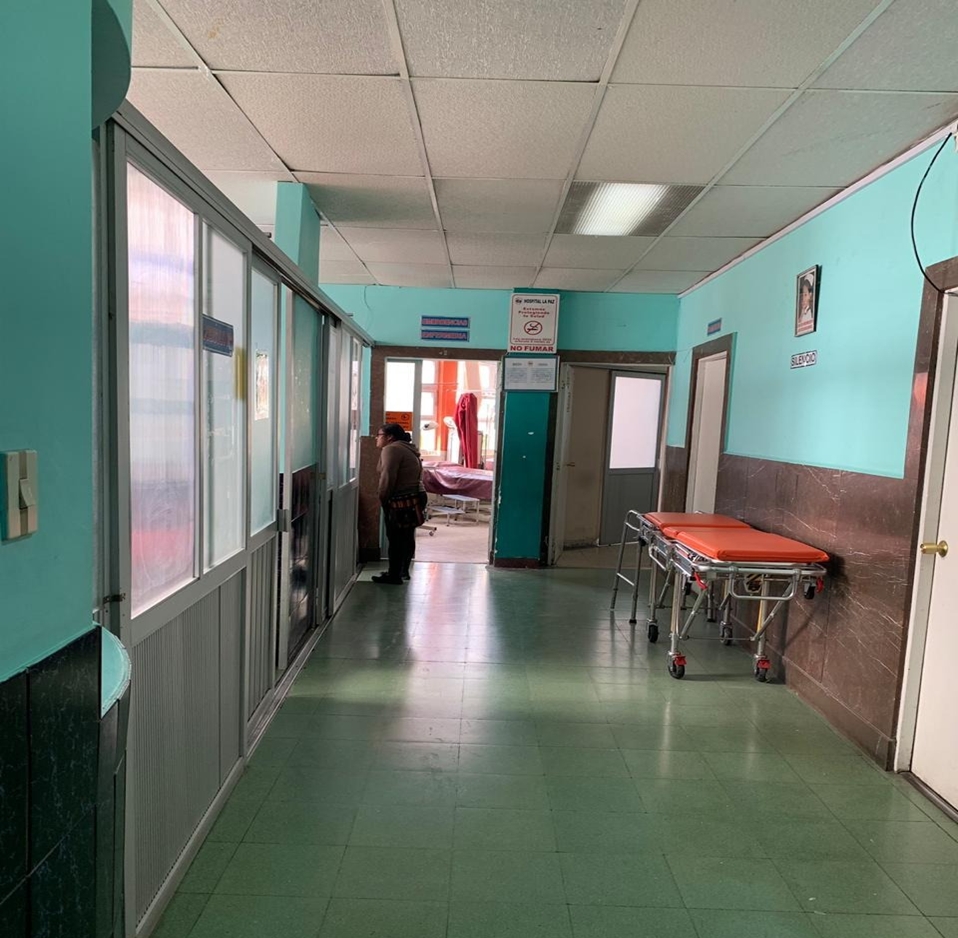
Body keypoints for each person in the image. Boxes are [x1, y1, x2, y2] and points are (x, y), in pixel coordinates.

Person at [373, 423, 426, 584]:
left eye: (379, 435)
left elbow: (387, 478)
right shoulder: (407, 448)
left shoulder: (392, 449)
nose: (376, 438)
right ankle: (402, 571)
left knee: (395, 537)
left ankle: (394, 575)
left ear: (389, 437)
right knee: (406, 536)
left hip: (401, 498)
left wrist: (383, 499)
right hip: (415, 495)